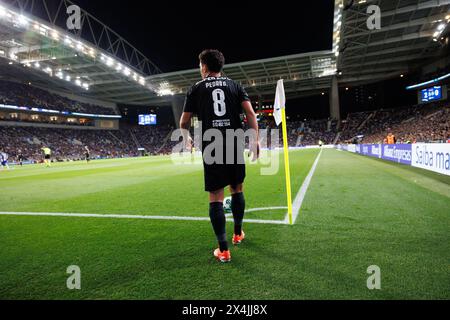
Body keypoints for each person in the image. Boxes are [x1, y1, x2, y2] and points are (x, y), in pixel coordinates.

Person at [179, 49, 260, 263]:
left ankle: (223, 250)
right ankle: (237, 234)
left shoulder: (196, 89)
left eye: (199, 65)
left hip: (211, 144)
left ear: (204, 67)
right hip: (234, 140)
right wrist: (255, 140)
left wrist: (186, 137)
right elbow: (250, 114)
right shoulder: (235, 85)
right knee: (237, 188)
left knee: (216, 195)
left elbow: (183, 121)